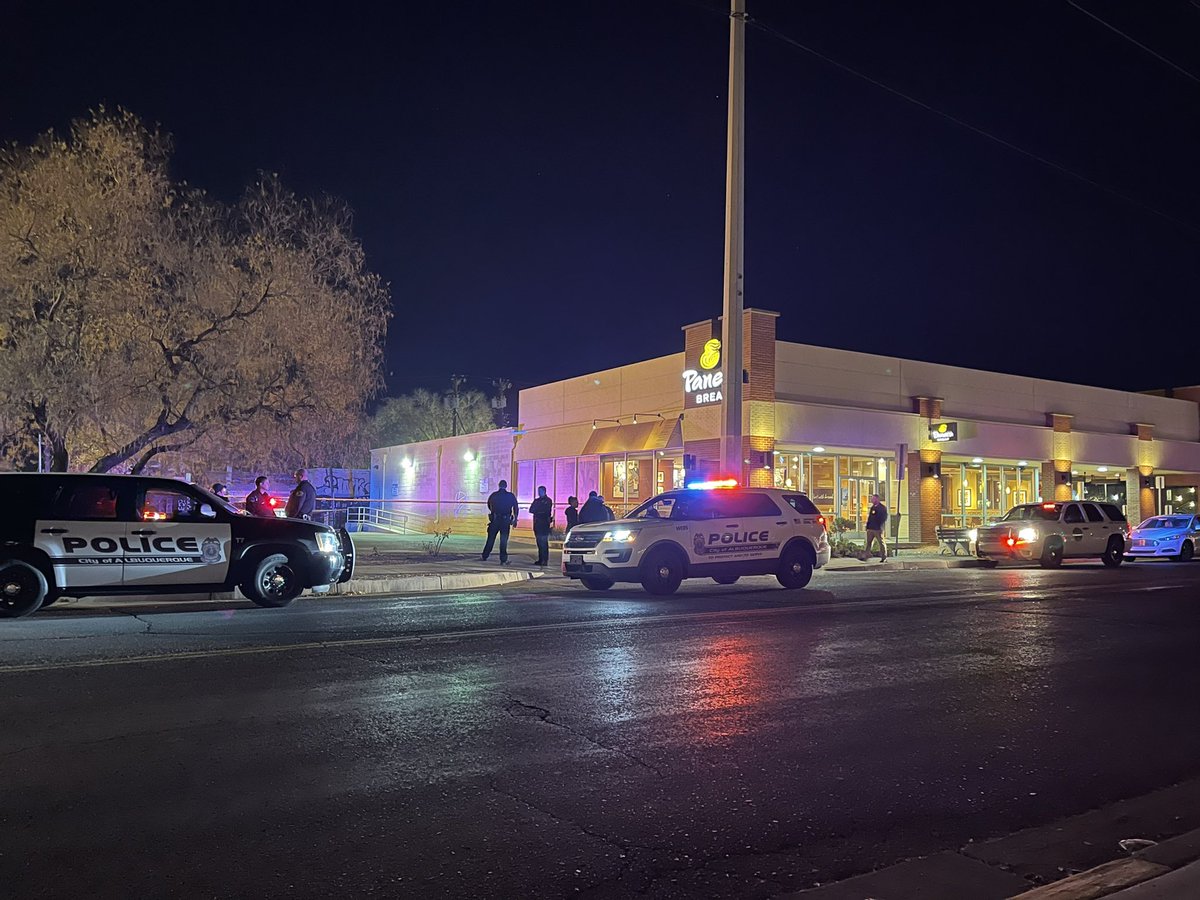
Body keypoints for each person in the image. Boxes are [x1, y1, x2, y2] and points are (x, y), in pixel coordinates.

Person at [482, 479, 519, 564]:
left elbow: (489, 504)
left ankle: (485, 555)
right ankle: (503, 559)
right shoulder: (510, 496)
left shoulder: (494, 495)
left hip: (495, 520)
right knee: (503, 540)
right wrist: (515, 518)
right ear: (506, 486)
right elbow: (516, 507)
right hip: (505, 521)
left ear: (499, 485)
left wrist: (493, 512)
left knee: (491, 539)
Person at [529, 485, 554, 567]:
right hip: (537, 524)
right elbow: (531, 510)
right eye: (539, 491)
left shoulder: (548, 501)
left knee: (544, 542)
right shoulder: (537, 501)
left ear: (544, 491)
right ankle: (540, 559)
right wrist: (539, 510)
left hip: (544, 524)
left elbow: (546, 511)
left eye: (541, 491)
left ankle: (545, 560)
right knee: (539, 542)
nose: (539, 493)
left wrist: (538, 510)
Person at [864, 494, 889, 561]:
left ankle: (884, 557)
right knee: (869, 542)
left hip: (878, 529)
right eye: (872, 499)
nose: (872, 500)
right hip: (871, 529)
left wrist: (879, 525)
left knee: (881, 543)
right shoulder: (872, 507)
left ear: (877, 499)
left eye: (873, 499)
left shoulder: (882, 508)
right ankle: (866, 555)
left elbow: (884, 518)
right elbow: (870, 518)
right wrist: (867, 526)